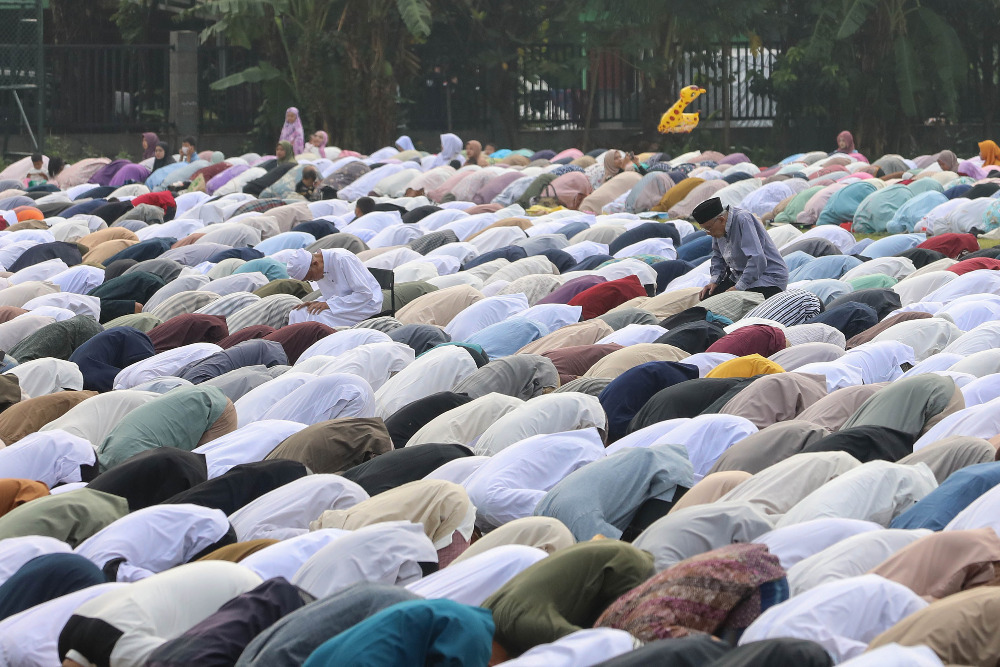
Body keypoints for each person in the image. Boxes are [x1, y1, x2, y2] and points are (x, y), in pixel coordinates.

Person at [694, 196, 788, 300]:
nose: (708, 233)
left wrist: (739, 287)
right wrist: (714, 281)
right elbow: (718, 257)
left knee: (728, 302)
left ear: (721, 219)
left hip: (767, 278)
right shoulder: (717, 228)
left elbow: (756, 259)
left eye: (708, 228)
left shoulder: (743, 219)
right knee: (707, 296)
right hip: (741, 276)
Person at [288, 249, 383, 327]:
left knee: (316, 320)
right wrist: (318, 302)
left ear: (315, 264)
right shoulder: (320, 268)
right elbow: (332, 296)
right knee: (297, 313)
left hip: (365, 305)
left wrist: (329, 304)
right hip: (342, 304)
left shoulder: (342, 259)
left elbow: (364, 294)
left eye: (311, 277)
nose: (313, 280)